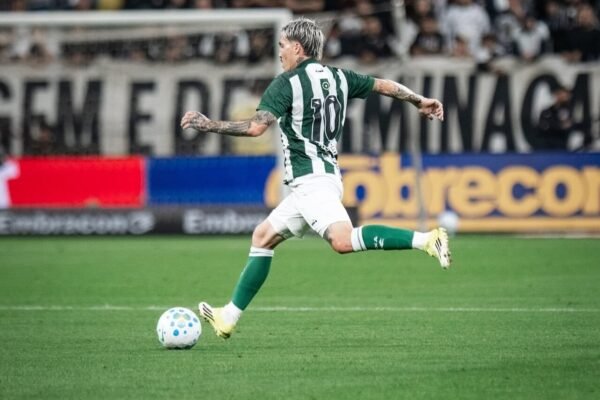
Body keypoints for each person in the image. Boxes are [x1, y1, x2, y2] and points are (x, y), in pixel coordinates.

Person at [180, 17, 451, 340]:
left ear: (297, 48)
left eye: (282, 46)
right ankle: (228, 316)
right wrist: (419, 100)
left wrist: (207, 124)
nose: (279, 52)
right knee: (263, 237)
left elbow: (255, 128)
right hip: (322, 178)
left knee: (342, 241)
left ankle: (427, 239)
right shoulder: (339, 77)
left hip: (312, 181)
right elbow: (384, 85)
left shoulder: (286, 83)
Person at [536, 85, 573, 150]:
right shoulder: (548, 110)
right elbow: (542, 125)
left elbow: (567, 126)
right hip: (546, 142)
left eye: (564, 95)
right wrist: (557, 125)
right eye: (559, 94)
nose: (562, 97)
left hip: (561, 142)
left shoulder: (569, 110)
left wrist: (552, 125)